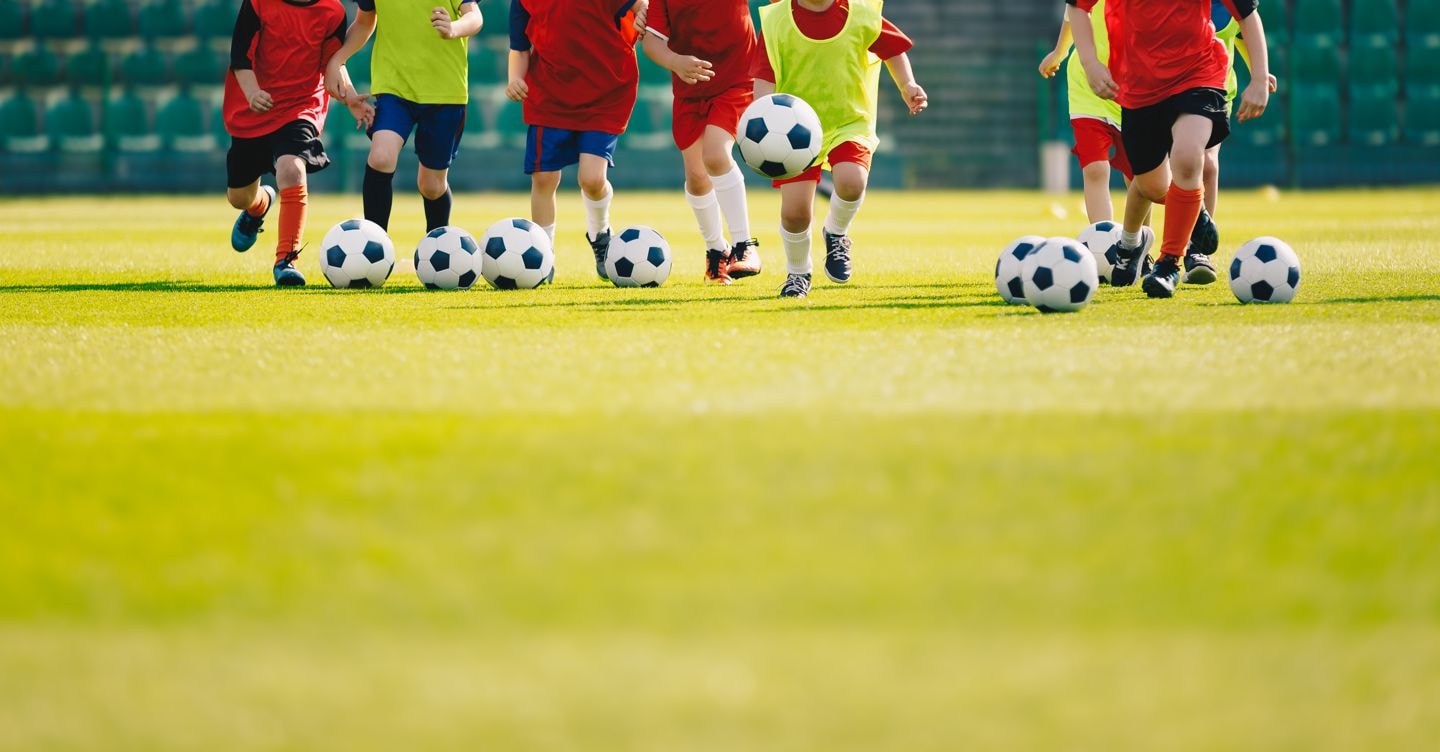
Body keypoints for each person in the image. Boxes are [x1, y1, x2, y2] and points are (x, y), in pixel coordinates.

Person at [1067, 0, 1270, 298]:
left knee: (1189, 159)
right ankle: (1157, 230)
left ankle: (1168, 264)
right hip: (1139, 87)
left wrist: (1260, 77)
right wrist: (1090, 63)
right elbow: (1076, 8)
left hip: (1198, 75)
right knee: (1151, 185)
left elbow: (1247, 16)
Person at [754, 0, 928, 300]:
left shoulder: (860, 13)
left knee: (851, 181)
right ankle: (798, 274)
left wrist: (907, 85)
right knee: (795, 213)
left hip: (849, 122)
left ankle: (835, 233)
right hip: (793, 130)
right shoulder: (777, 20)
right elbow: (764, 76)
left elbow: (894, 49)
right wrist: (763, 118)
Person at [225, 0, 371, 286]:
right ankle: (259, 205)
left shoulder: (333, 11)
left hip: (299, 107)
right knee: (238, 198)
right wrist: (253, 93)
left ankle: (286, 260)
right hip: (253, 107)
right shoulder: (258, 3)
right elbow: (239, 58)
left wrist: (350, 97)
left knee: (292, 169)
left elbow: (333, 62)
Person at [507, 0, 648, 281]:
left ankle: (601, 235)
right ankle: (543, 256)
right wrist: (514, 78)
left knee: (592, 180)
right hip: (549, 94)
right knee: (543, 177)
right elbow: (519, 46)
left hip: (606, 92)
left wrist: (644, 10)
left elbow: (639, 5)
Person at [326, 0, 484, 235]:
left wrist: (453, 28)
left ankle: (438, 247)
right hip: (394, 87)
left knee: (431, 186)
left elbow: (475, 18)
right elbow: (364, 21)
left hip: (445, 92)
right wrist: (338, 59)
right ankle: (375, 247)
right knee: (381, 156)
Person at [641, 0, 761, 285]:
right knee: (696, 177)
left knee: (716, 154)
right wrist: (675, 62)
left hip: (737, 79)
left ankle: (745, 246)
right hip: (690, 89)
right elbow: (652, 42)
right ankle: (717, 250)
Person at [1187, 0, 1278, 284]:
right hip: (1168, 89)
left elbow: (1243, 31)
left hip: (1216, 92)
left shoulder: (1229, 6)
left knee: (1208, 165)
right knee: (1156, 175)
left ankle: (1197, 251)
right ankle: (1138, 245)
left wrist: (1259, 75)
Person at [1038, 0, 1132, 224]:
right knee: (1095, 169)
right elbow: (1075, 9)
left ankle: (1136, 243)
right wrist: (1059, 52)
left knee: (1138, 178)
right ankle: (1104, 239)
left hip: (1133, 87)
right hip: (1087, 87)